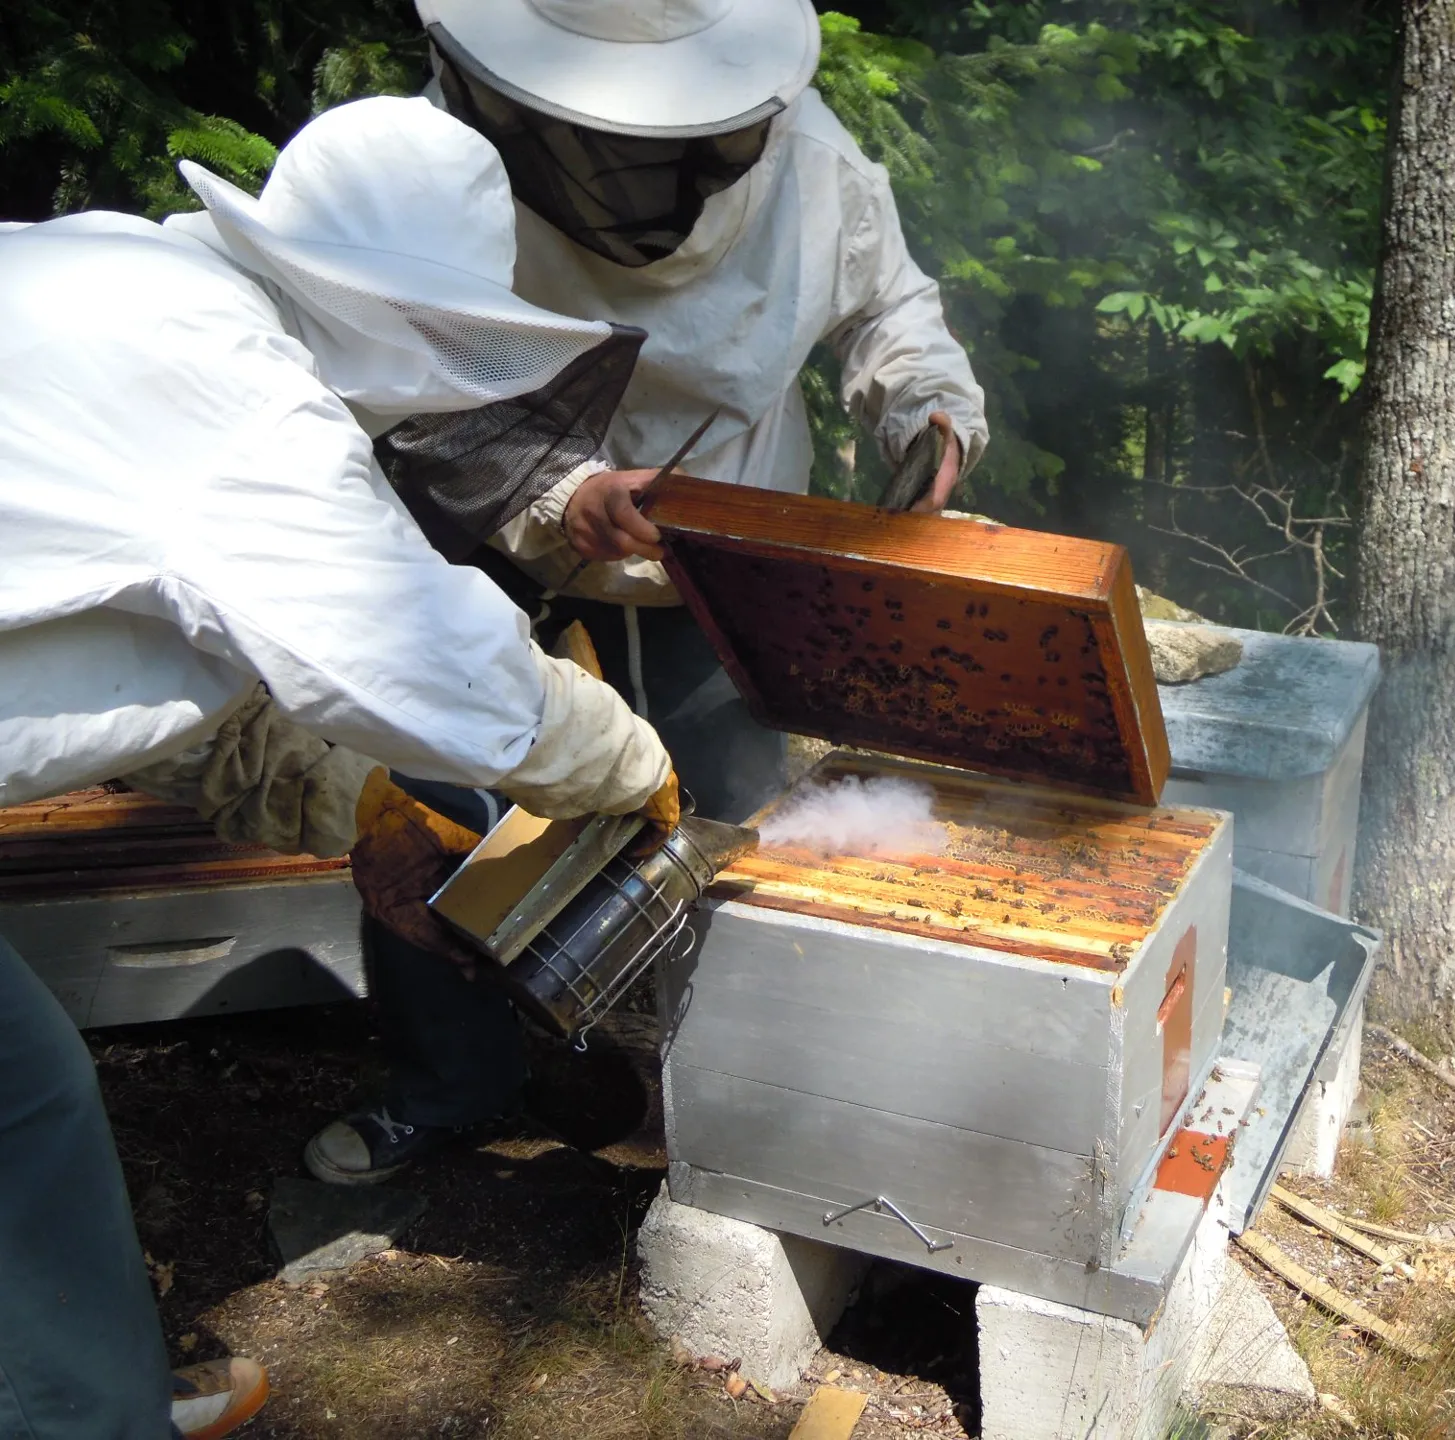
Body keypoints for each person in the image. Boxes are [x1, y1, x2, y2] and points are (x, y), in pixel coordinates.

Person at [0, 96, 680, 1439]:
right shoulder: (230, 391)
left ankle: (73, 1392)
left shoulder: (124, 274)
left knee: (25, 1100)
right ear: (390, 306)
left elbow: (136, 658)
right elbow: (438, 670)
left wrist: (355, 801)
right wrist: (626, 758)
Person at [301, 0, 992, 1183]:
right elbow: (400, 368)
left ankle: (719, 1103)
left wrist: (929, 413)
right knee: (437, 803)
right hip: (483, 519)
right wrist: (556, 490)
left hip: (713, 540)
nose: (628, 163)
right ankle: (451, 1087)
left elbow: (892, 311)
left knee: (722, 815)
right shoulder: (448, 162)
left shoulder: (813, 163)